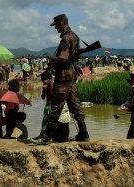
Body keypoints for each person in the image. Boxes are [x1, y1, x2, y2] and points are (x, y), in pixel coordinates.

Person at [31, 14, 90, 145]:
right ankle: (83, 133)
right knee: (75, 104)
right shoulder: (75, 36)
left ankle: (46, 136)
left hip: (63, 76)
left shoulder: (66, 39)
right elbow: (75, 56)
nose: (55, 28)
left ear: (62, 23)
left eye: (56, 25)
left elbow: (63, 59)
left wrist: (51, 58)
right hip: (71, 75)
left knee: (56, 105)